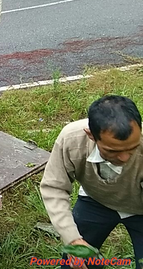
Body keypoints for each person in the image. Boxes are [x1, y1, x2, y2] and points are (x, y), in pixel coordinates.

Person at [40, 95, 143, 269]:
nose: (124, 157)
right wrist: (72, 239)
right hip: (96, 200)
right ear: (91, 135)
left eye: (132, 148)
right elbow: (54, 187)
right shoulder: (71, 139)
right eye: (112, 150)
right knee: (76, 262)